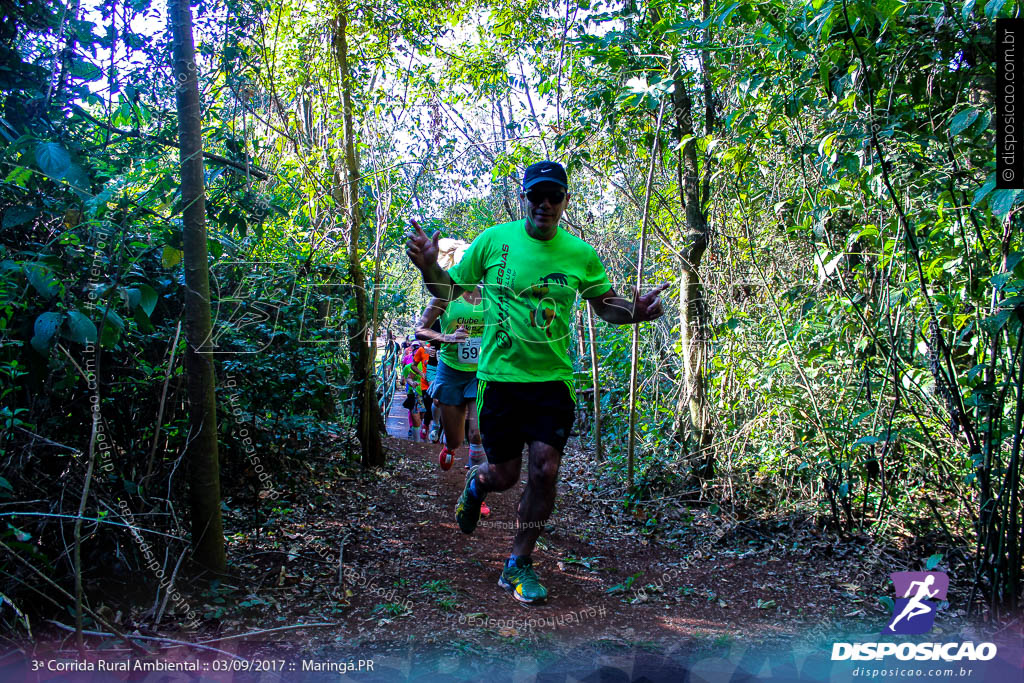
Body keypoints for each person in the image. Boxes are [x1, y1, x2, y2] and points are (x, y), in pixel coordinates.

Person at [405, 160, 667, 604]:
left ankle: (519, 562)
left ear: (564, 201)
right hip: (499, 382)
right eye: (536, 196)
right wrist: (430, 265)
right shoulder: (493, 240)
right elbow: (447, 293)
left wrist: (634, 312)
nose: (545, 204)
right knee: (504, 477)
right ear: (524, 198)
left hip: (551, 382)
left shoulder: (580, 254)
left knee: (545, 470)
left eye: (554, 196)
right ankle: (477, 483)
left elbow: (605, 306)